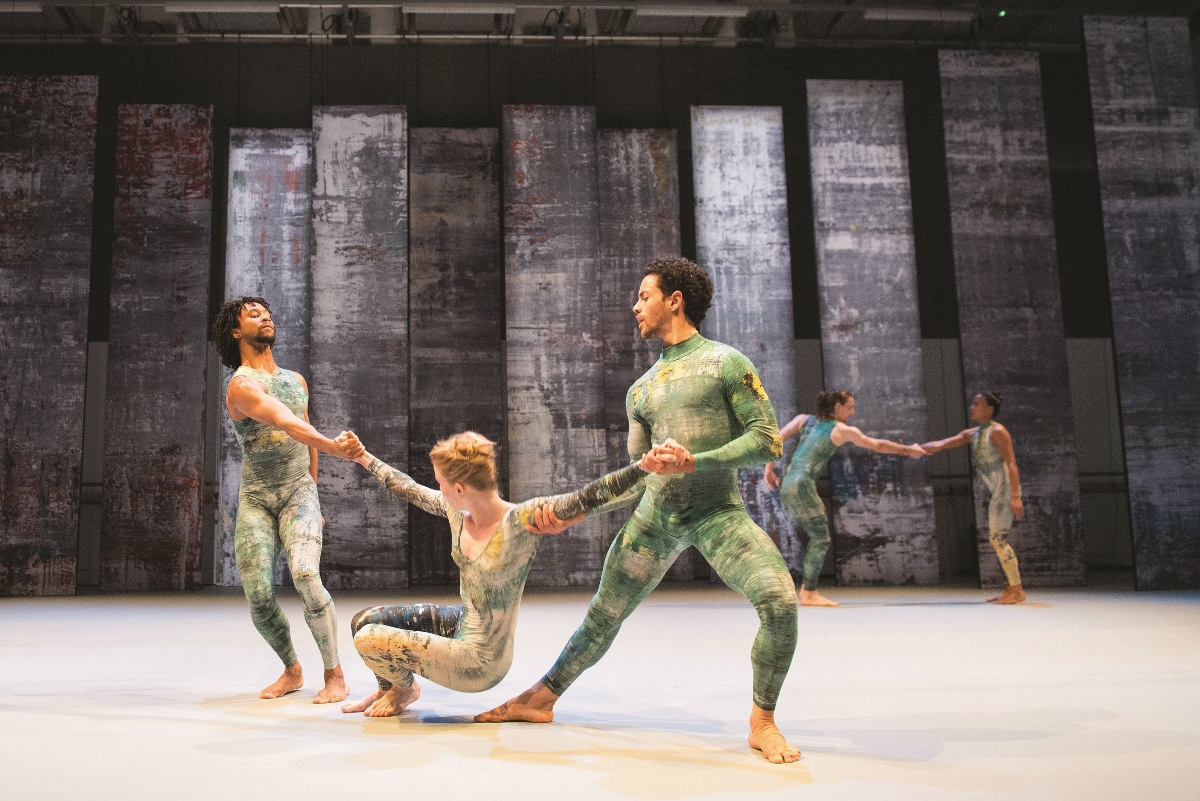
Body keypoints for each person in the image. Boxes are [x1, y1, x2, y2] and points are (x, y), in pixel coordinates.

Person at [476, 256, 802, 765]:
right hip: (655, 519)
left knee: (780, 605)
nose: (635, 307)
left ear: (675, 300)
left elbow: (766, 442)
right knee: (603, 615)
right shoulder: (641, 390)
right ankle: (540, 699)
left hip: (719, 514)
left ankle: (763, 722)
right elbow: (638, 474)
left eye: (644, 296)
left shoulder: (726, 363)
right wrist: (577, 510)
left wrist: (696, 461)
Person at [337, 431, 669, 717]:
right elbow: (408, 488)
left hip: (479, 660)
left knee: (368, 640)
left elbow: (586, 498)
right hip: (462, 623)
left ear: (460, 488)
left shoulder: (521, 522)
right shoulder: (457, 512)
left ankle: (403, 690)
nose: (436, 488)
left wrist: (644, 466)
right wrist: (363, 456)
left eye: (440, 482)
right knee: (363, 621)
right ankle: (391, 689)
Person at [210, 296, 364, 703]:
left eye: (267, 312)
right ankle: (292, 669)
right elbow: (287, 423)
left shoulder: (296, 381)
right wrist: (334, 446)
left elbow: (304, 430)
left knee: (306, 575)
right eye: (253, 314)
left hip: (298, 491)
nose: (265, 317)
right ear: (237, 331)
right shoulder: (242, 386)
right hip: (257, 498)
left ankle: (335, 675)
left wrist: (313, 491)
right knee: (258, 595)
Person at [765, 391, 927, 607]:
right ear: (837, 407)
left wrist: (769, 468)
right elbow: (876, 445)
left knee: (817, 538)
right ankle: (808, 592)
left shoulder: (803, 420)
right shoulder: (840, 430)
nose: (853, 411)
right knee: (821, 539)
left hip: (789, 484)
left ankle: (807, 590)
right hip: (802, 486)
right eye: (850, 407)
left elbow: (775, 438)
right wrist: (909, 450)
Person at [921, 392, 1026, 604]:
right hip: (996, 491)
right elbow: (942, 444)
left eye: (977, 404)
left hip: (1005, 490)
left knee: (997, 539)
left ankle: (1016, 590)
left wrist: (1016, 495)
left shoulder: (999, 432)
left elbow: (1012, 464)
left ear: (989, 409)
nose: (972, 407)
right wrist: (914, 449)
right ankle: (1012, 588)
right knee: (997, 539)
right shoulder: (975, 433)